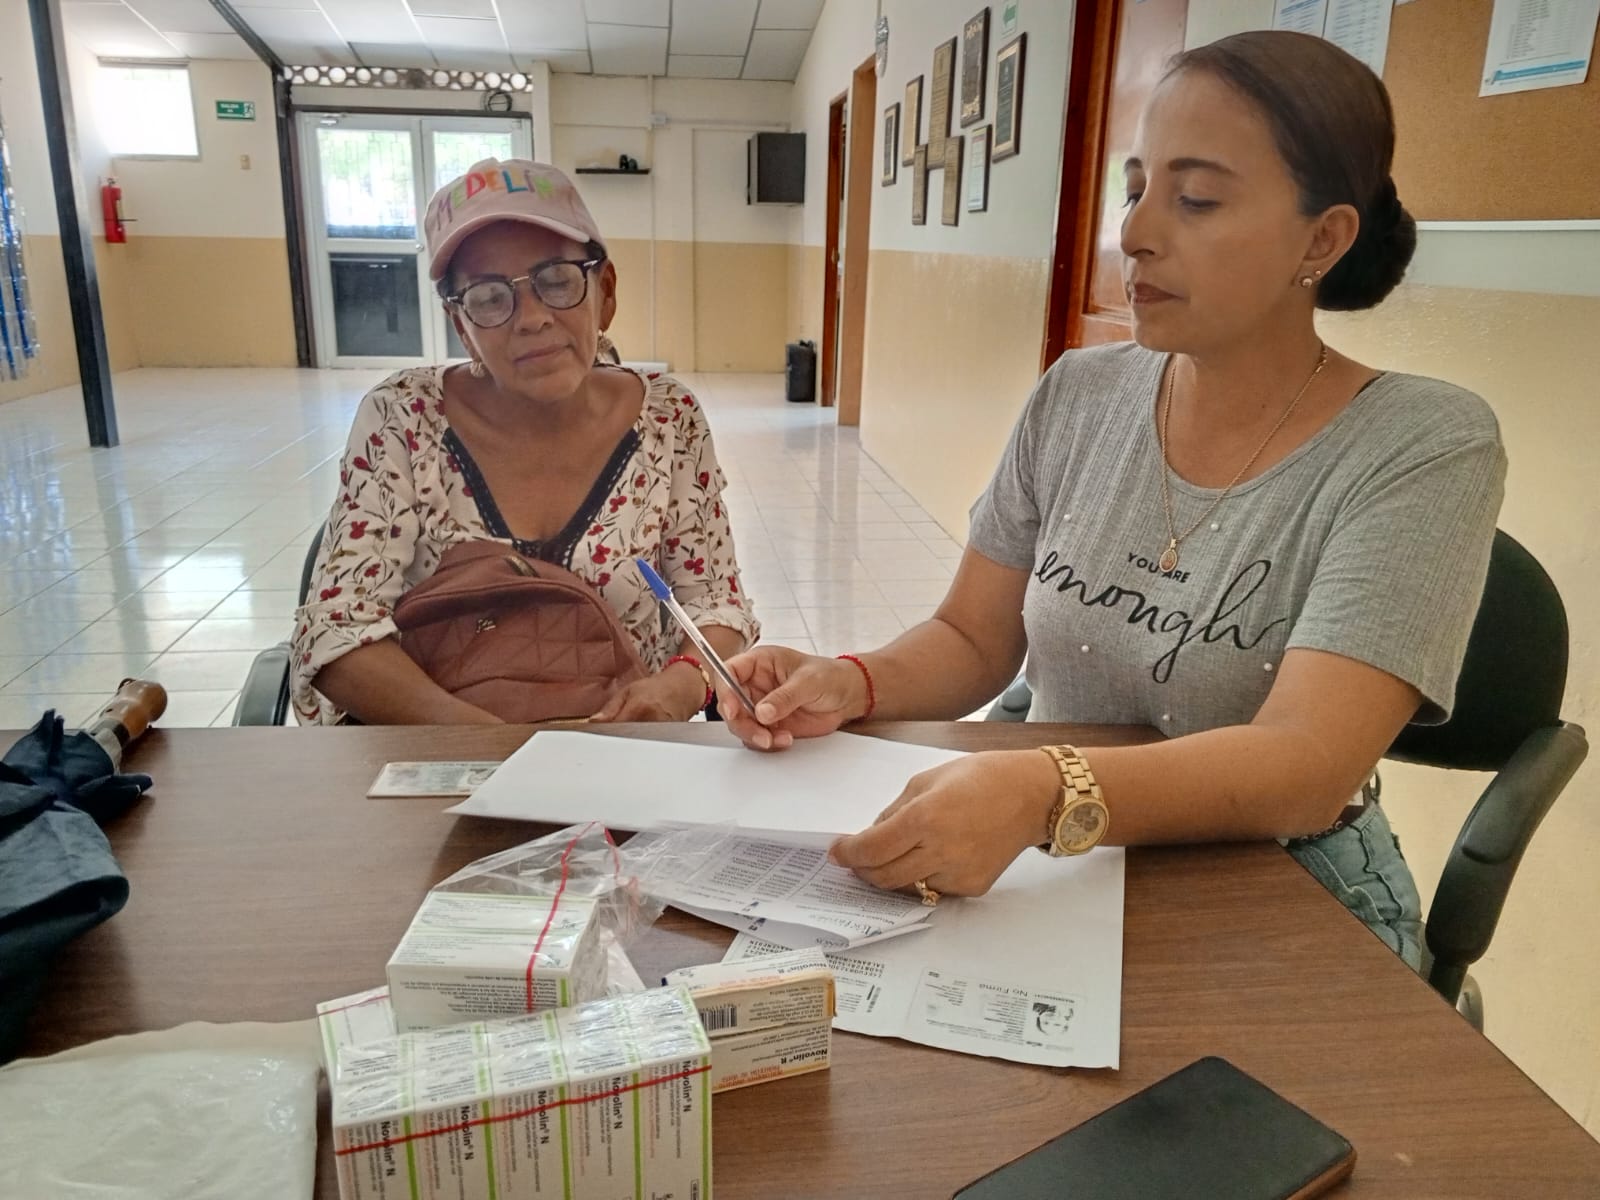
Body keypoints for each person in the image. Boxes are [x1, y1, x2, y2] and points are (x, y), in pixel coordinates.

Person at [717, 32, 1507, 970]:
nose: (1135, 233)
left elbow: (1305, 763)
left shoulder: (1423, 443)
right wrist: (853, 681)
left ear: (1322, 239)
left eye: (1196, 199)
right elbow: (972, 638)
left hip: (1280, 880)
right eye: (1134, 191)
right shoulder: (1079, 394)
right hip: (1046, 856)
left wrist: (1042, 792)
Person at [292, 159, 759, 725]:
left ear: (605, 292)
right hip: (437, 746)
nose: (531, 318)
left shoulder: (668, 420)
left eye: (557, 280)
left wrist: (679, 687)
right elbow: (338, 628)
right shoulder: (404, 419)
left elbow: (715, 603)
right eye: (490, 297)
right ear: (462, 326)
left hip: (620, 747)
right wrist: (497, 749)